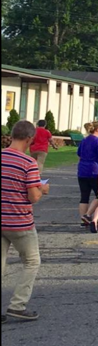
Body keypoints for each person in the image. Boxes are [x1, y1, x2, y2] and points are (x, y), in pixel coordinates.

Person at [1, 121, 50, 322]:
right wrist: (42, 189)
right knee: (31, 261)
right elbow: (33, 197)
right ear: (30, 139)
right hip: (19, 220)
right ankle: (17, 305)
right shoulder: (28, 163)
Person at [77, 121, 98, 226]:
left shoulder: (84, 140)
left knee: (84, 196)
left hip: (82, 170)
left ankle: (83, 219)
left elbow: (79, 155)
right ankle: (88, 214)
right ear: (97, 129)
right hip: (95, 171)